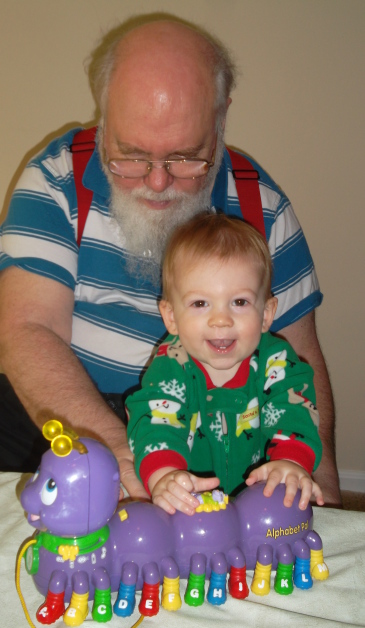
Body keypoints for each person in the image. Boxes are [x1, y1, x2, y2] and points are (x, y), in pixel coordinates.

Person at [0, 15, 341, 505]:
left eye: (185, 157)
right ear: (104, 111)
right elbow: (27, 330)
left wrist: (323, 495)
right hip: (69, 411)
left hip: (213, 425)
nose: (157, 182)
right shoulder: (54, 181)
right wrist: (119, 454)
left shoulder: (260, 205)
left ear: (221, 117)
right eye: (131, 155)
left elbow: (300, 357)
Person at [126, 212, 324, 515]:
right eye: (200, 303)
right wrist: (164, 476)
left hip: (261, 498)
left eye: (240, 302)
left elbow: (294, 410)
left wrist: (290, 462)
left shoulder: (277, 362)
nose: (221, 320)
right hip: (192, 503)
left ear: (267, 314)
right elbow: (156, 422)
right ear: (171, 317)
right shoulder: (171, 366)